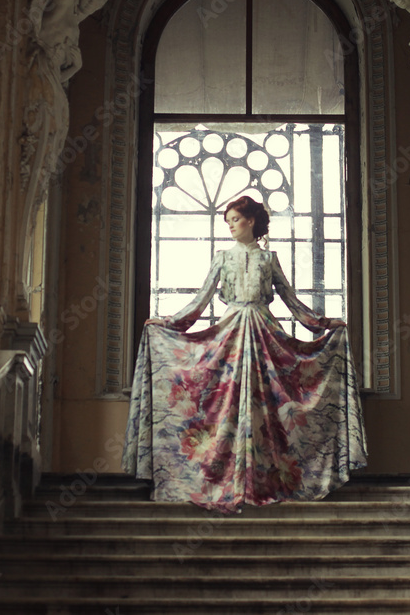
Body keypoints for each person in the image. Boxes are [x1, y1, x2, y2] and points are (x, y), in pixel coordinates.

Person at [121, 195, 368, 512]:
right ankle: (225, 480)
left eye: (235, 220)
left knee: (267, 410)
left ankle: (265, 480)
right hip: (231, 334)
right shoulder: (222, 258)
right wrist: (168, 323)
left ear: (251, 221)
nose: (230, 227)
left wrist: (321, 324)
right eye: (228, 222)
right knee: (225, 406)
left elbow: (292, 301)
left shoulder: (269, 260)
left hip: (265, 334)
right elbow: (201, 300)